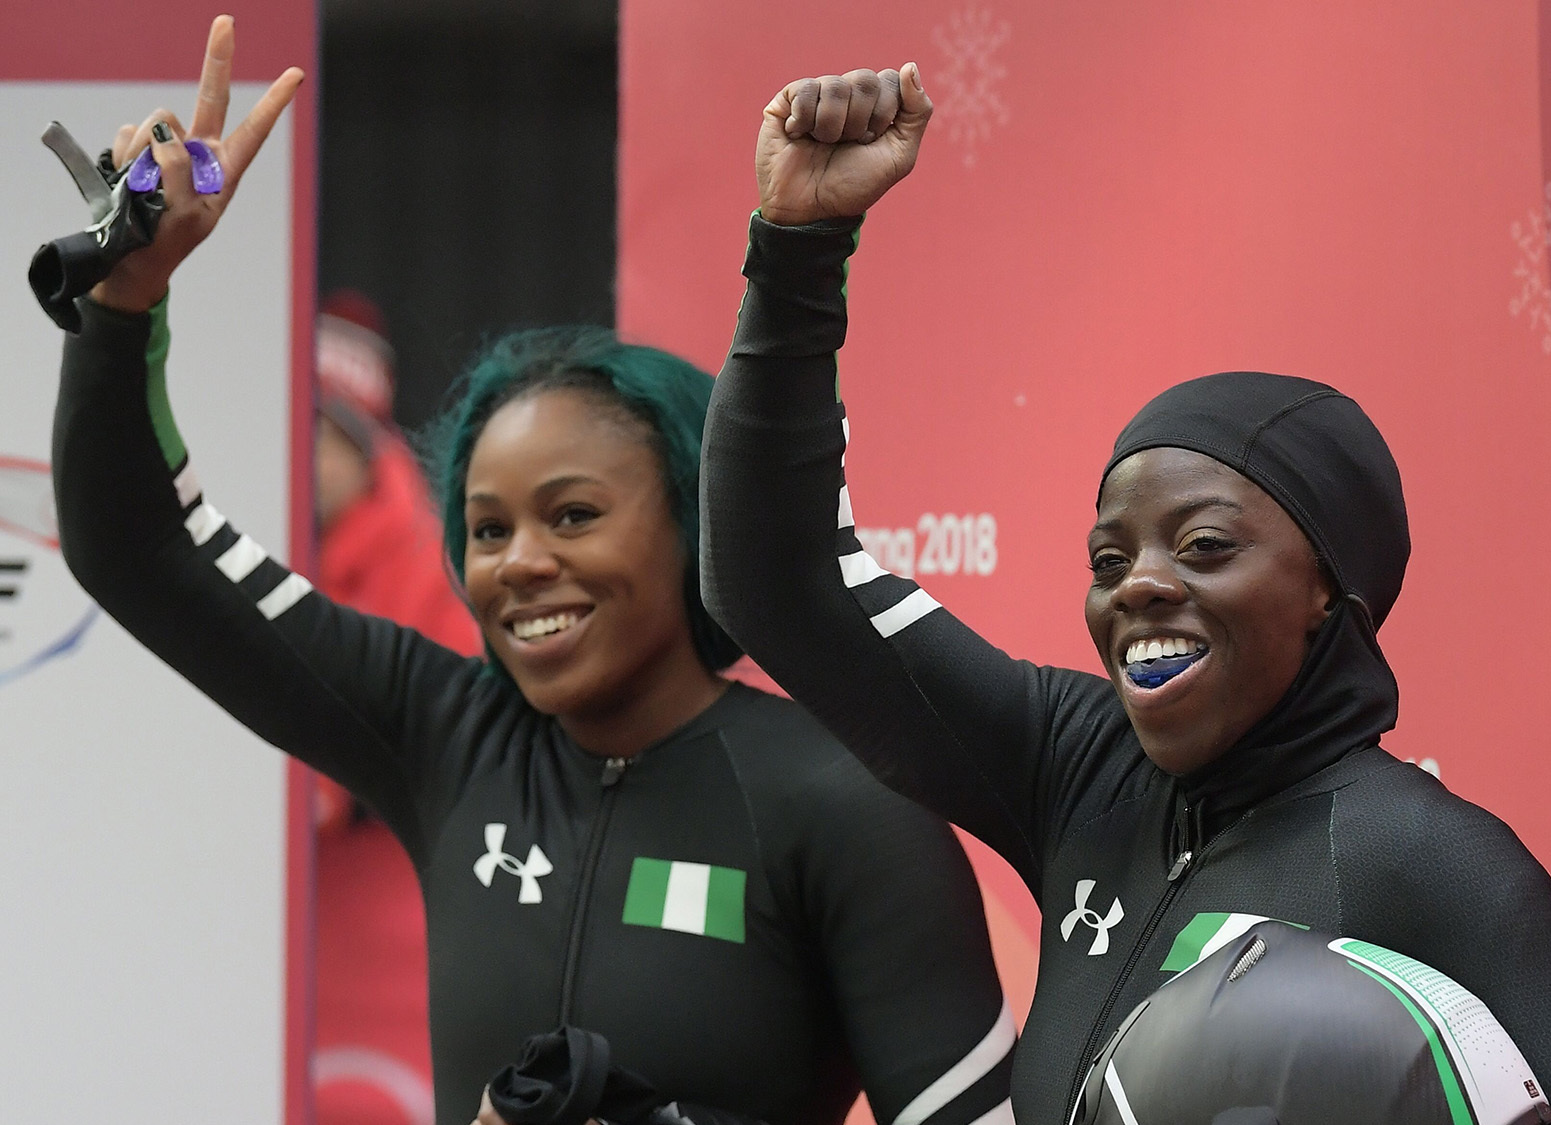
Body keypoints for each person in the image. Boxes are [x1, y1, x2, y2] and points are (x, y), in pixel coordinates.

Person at [50, 22, 1014, 1125]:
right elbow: (142, 550)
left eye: (573, 515)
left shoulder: (847, 807)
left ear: (696, 525)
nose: (521, 565)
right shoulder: (443, 737)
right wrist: (125, 301)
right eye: (487, 528)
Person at [698, 66, 1551, 1125]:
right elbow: (780, 581)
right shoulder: (1075, 770)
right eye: (1107, 561)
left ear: (1324, 592)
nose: (1142, 587)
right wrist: (798, 246)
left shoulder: (1427, 861)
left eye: (1204, 545)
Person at [310, 294, 479, 1125]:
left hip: (393, 900)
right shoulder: (269, 524)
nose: (308, 454)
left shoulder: (413, 543)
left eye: (327, 433)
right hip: (303, 900)